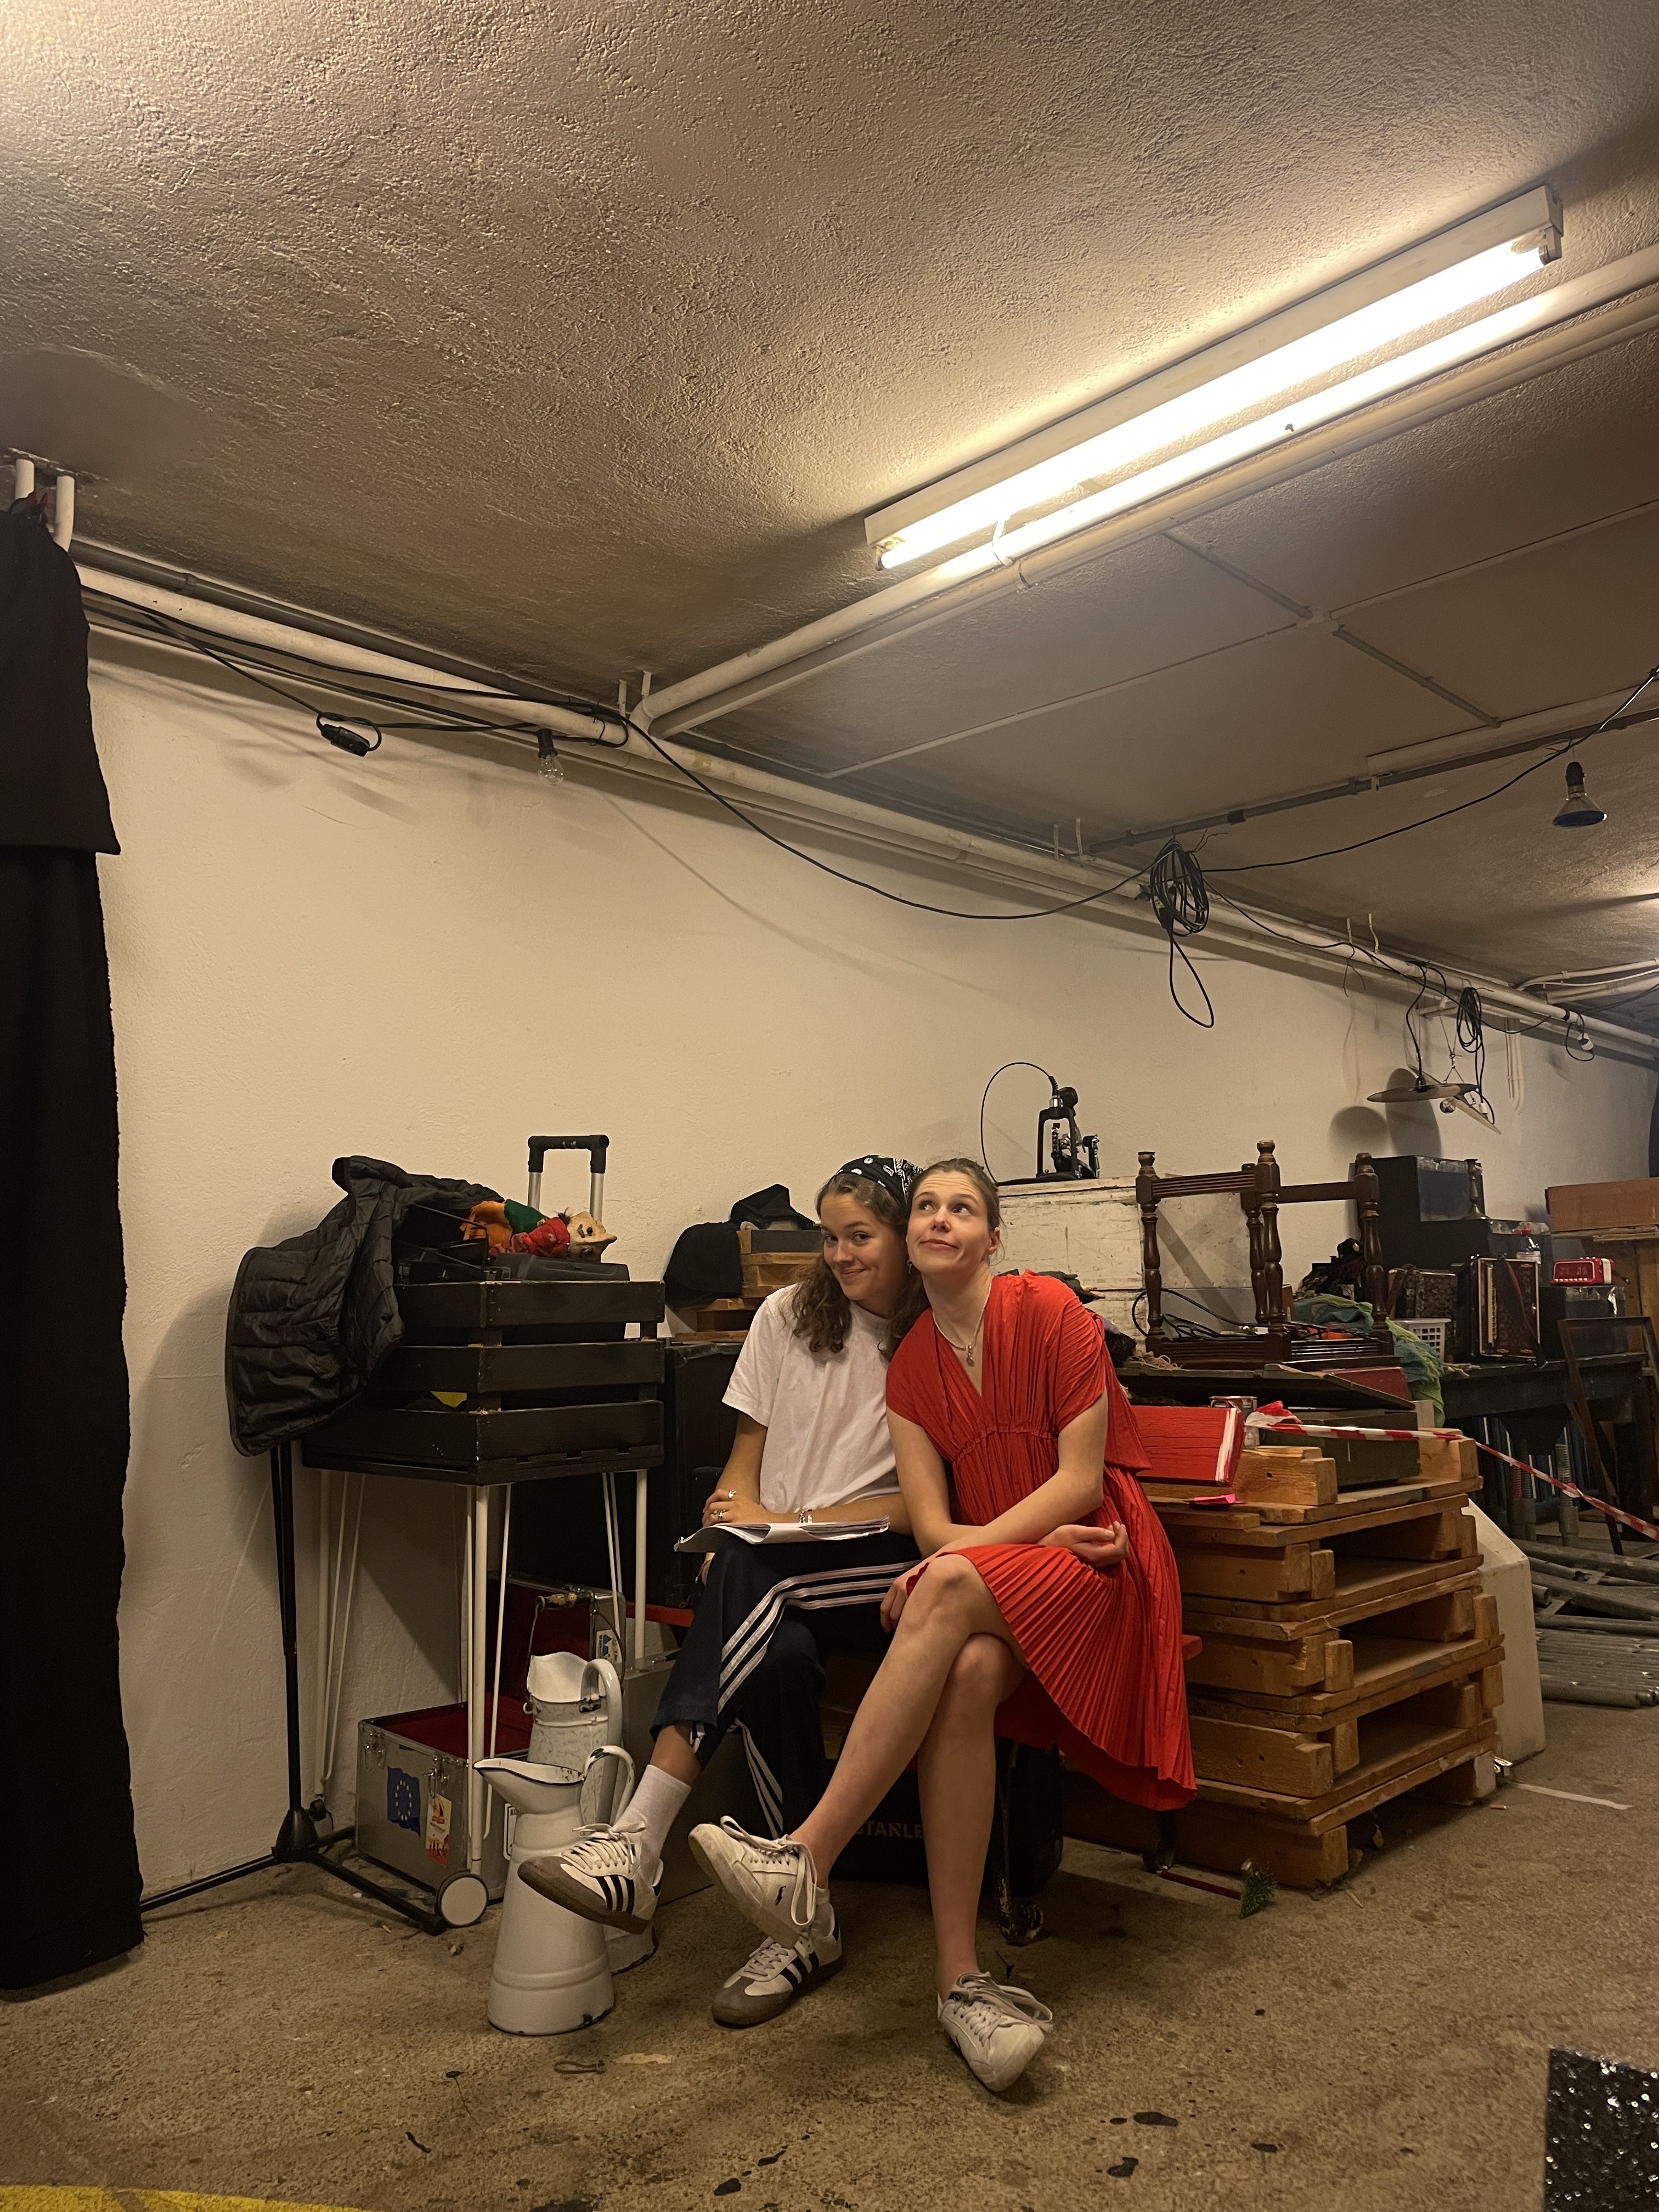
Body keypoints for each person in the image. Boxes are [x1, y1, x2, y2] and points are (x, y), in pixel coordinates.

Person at [689, 1157, 1194, 2092]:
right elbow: (930, 1531)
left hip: (1095, 1555)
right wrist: (971, 1559)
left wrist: (968, 1560)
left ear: (993, 1238)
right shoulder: (914, 1365)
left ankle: (806, 1856)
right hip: (1001, 1570)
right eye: (926, 1205)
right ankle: (960, 1981)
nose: (939, 1218)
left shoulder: (1052, 1315)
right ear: (909, 1233)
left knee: (947, 1585)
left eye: (962, 1207)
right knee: (963, 1671)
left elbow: (1079, 1485)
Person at [521, 1154, 922, 2027]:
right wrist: (732, 1516)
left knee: (751, 1579)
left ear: (902, 1238)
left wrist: (791, 1521)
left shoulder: (929, 1337)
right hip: (776, 1564)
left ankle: (638, 1840)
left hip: (881, 1564)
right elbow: (746, 1454)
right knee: (773, 1661)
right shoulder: (789, 1314)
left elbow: (926, 1509)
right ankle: (805, 1922)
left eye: (860, 1236)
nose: (841, 1255)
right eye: (830, 1237)